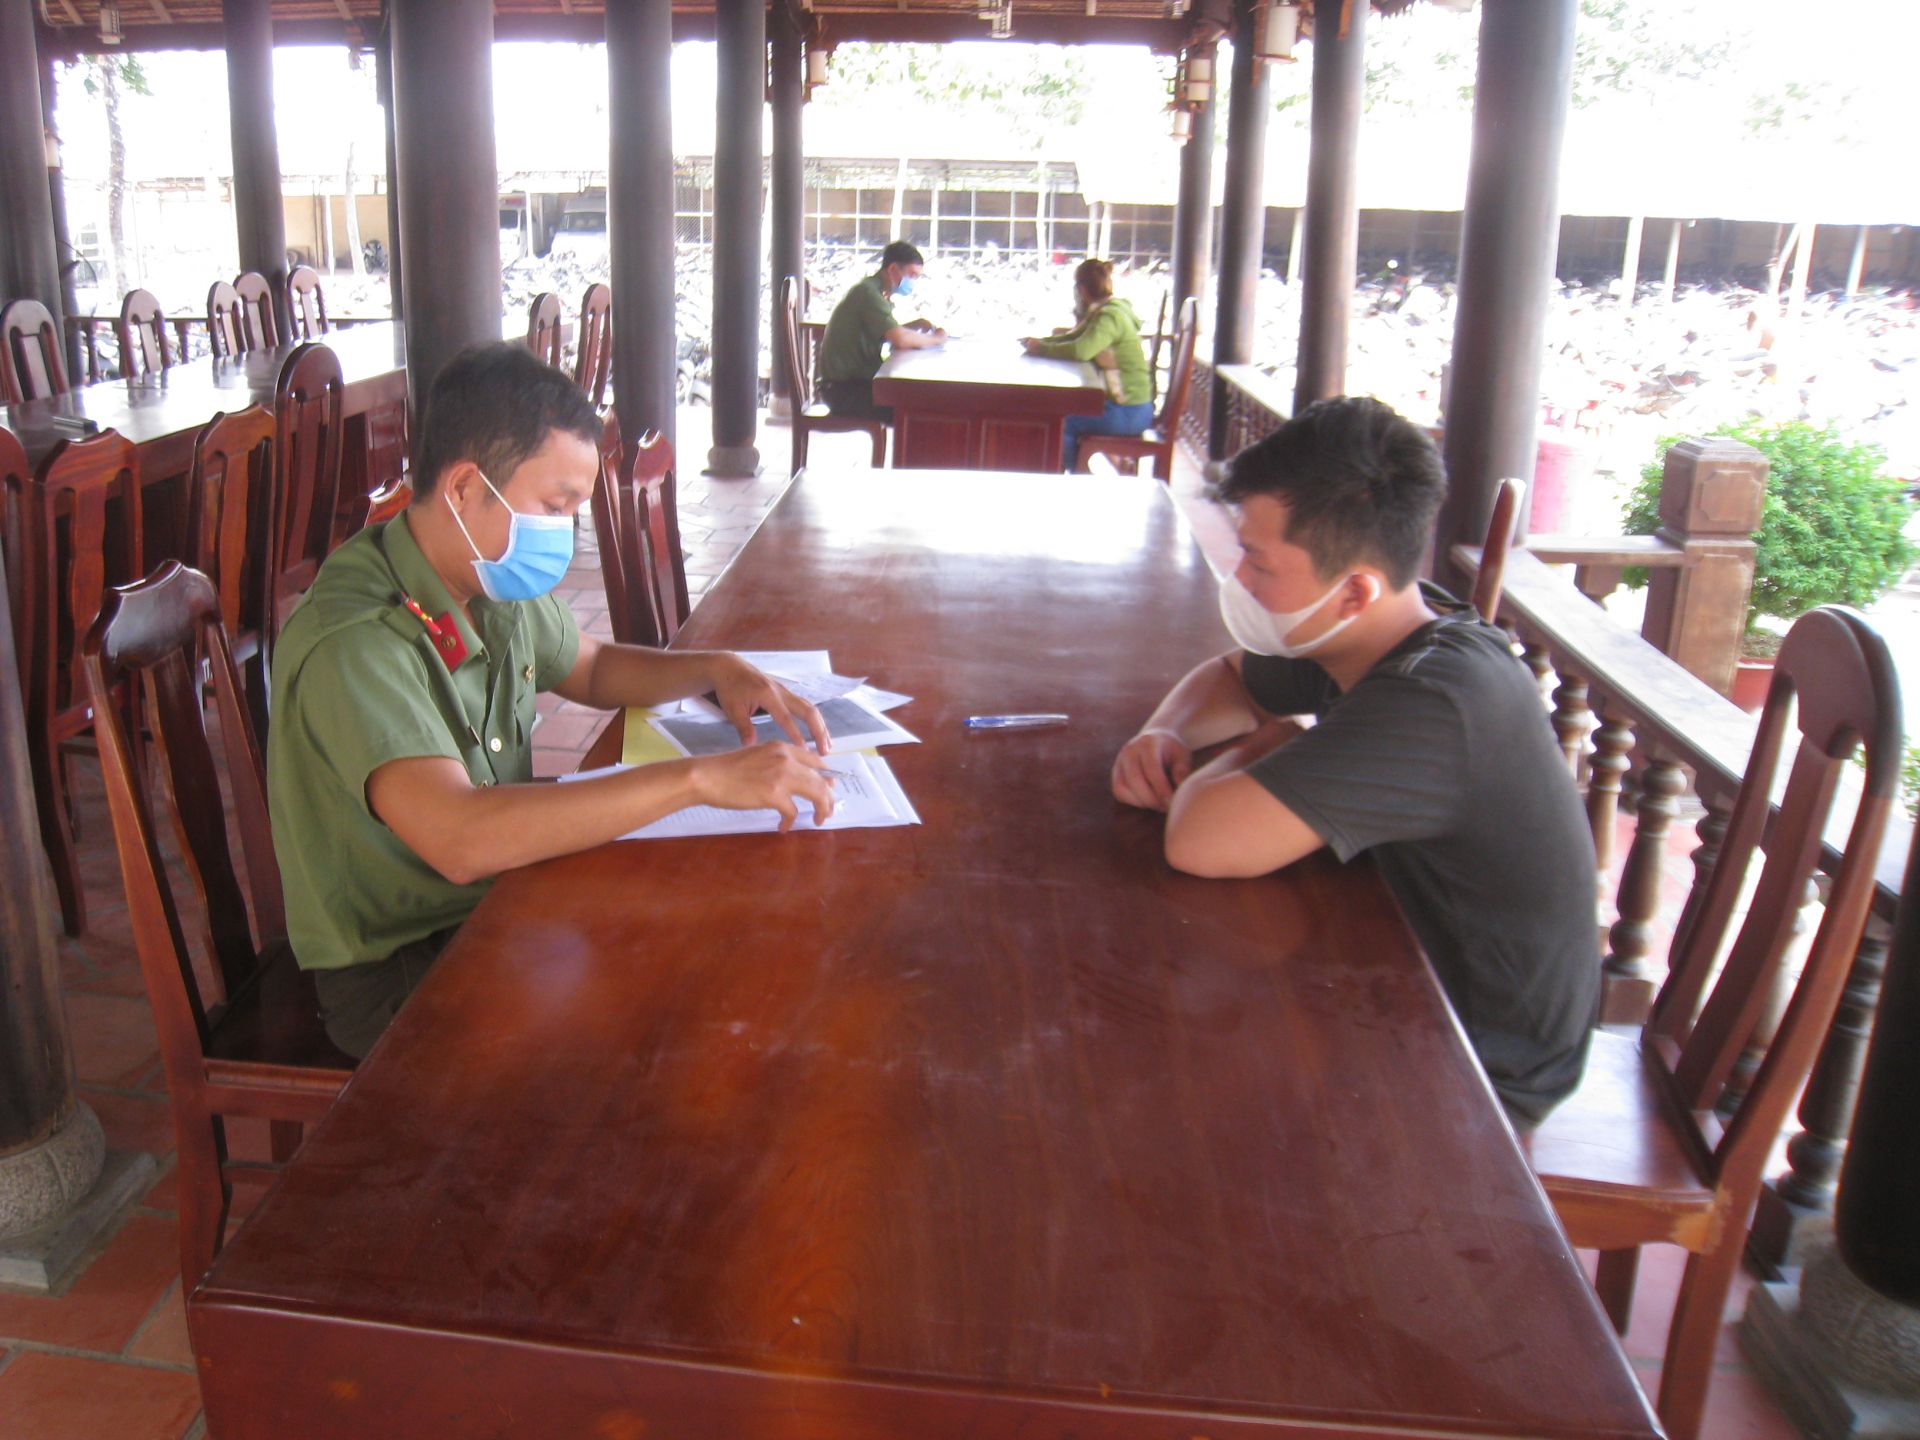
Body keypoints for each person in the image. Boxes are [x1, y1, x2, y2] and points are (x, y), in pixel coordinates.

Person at [269, 343, 838, 1058]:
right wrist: (697, 778)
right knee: (668, 1019)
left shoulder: (481, 575)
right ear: (465, 487)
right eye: (555, 505)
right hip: (405, 963)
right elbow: (461, 838)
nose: (564, 531)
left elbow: (590, 668)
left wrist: (712, 670)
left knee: (710, 932)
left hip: (500, 897)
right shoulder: (356, 641)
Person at [1110, 397, 1599, 1126]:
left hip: (1479, 1065)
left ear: (1354, 590)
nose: (1240, 580)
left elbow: (1199, 840)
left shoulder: (1433, 701)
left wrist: (1272, 743)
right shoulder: (1384, 628)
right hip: (1403, 967)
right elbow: (1233, 676)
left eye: (1258, 561)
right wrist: (1164, 734)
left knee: (1171, 1086)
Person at [1020, 258, 1152, 471]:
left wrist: (1042, 348)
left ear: (1081, 290)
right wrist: (1041, 343)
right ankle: (1070, 471)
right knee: (1059, 415)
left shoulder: (1110, 316)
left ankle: (1078, 477)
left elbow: (1081, 350)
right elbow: (1073, 338)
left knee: (1061, 424)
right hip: (1131, 407)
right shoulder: (1107, 310)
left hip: (1128, 411)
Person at [817, 239, 946, 421]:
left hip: (850, 387)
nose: (913, 281)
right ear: (893, 269)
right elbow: (900, 339)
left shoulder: (872, 290)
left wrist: (912, 326)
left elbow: (890, 333)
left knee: (922, 401)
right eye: (911, 275)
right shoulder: (868, 294)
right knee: (919, 408)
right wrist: (937, 339)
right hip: (844, 392)